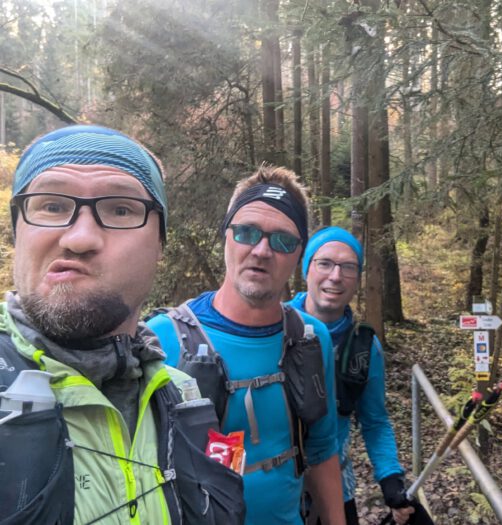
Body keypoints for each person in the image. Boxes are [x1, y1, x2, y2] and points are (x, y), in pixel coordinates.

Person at [0, 125, 244, 525]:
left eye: (120, 210)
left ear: (159, 247)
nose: (79, 238)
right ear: (18, 230)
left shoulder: (182, 395)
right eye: (51, 206)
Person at [147, 165, 345, 525]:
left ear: (299, 254)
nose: (262, 250)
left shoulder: (311, 339)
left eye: (282, 240)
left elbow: (322, 450)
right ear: (226, 236)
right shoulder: (161, 340)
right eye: (247, 232)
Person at [288, 226, 415, 525]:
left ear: (357, 279)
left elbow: (375, 420)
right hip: (278, 492)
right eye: (325, 263)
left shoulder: (364, 346)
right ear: (307, 269)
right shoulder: (273, 327)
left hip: (336, 487)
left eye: (348, 267)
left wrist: (390, 477)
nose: (336, 276)